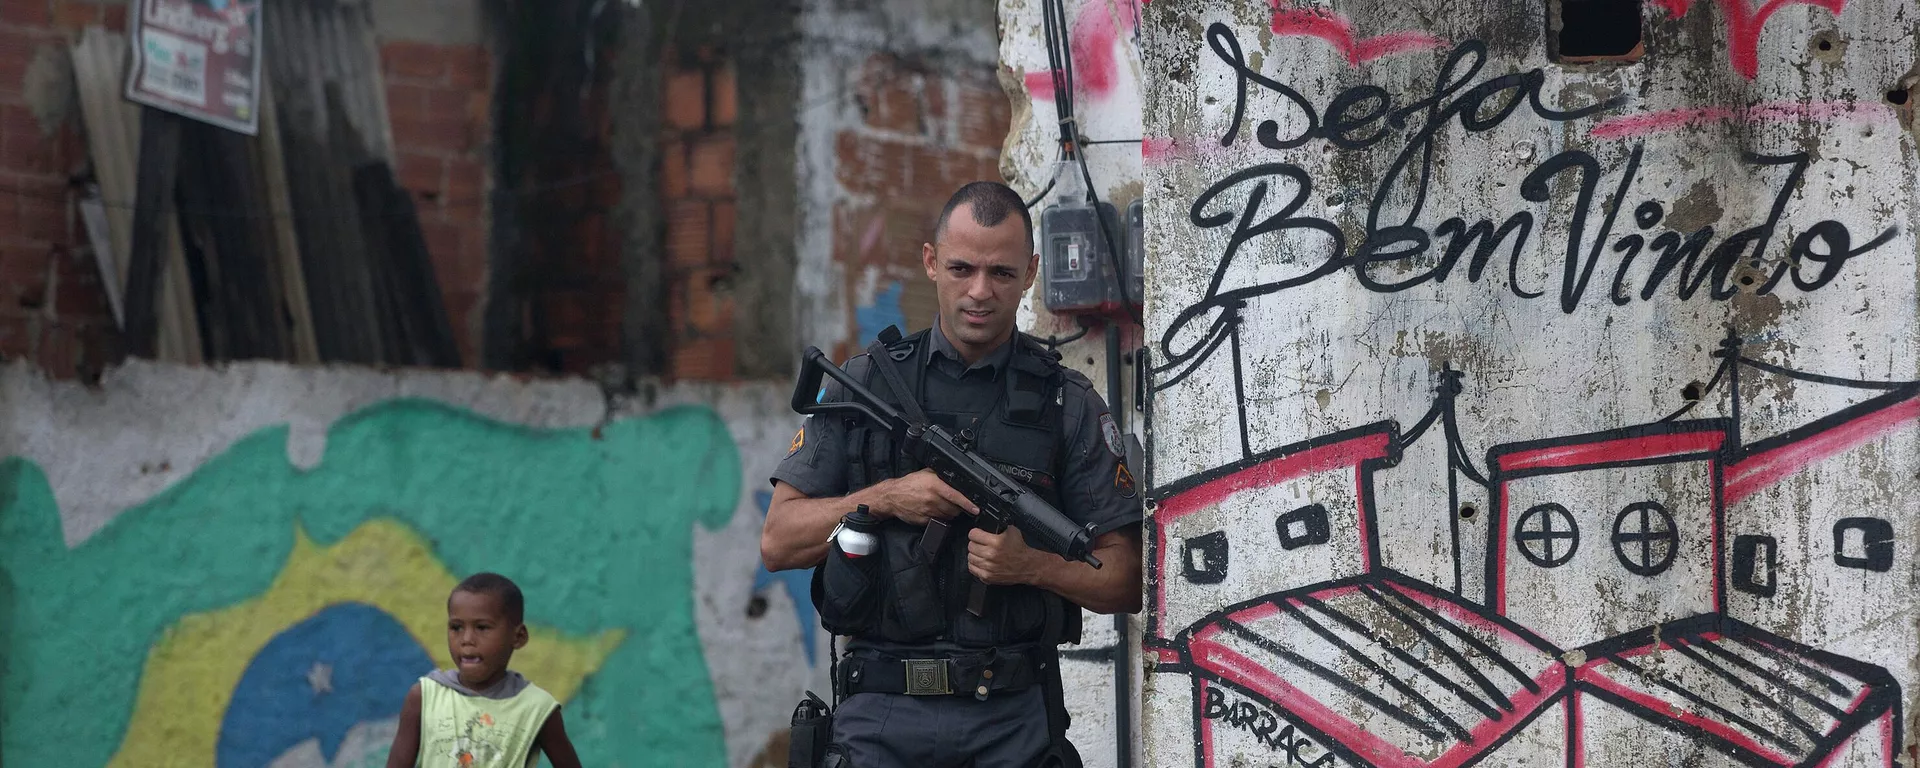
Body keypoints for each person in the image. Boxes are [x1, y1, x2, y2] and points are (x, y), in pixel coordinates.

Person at [762, 181, 1144, 767]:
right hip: (880, 718)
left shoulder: (1066, 403)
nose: (980, 292)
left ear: (1032, 272)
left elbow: (1123, 579)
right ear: (930, 262)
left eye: (1002, 273)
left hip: (1009, 721)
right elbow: (779, 541)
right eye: (962, 268)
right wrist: (887, 497)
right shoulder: (866, 384)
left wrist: (1032, 566)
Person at [385, 573, 584, 768]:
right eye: (456, 627)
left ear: (518, 637)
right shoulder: (425, 697)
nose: (466, 639)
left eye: (482, 627)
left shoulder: (537, 709)